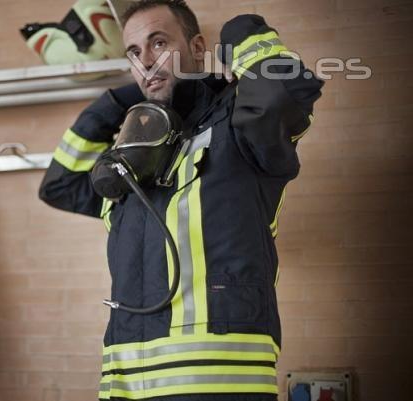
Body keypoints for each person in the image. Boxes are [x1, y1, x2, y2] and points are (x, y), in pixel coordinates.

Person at [39, 1, 324, 400]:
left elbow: (281, 95)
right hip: (123, 382)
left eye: (158, 43)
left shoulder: (239, 131)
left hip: (216, 381)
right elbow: (60, 184)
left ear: (195, 48)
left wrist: (241, 34)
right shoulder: (131, 161)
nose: (146, 61)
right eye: (134, 53)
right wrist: (119, 101)